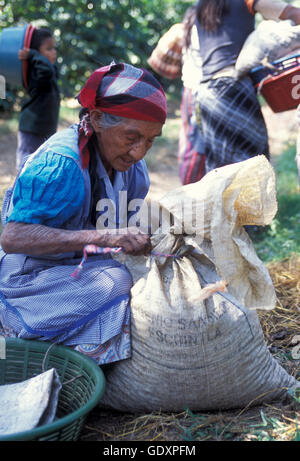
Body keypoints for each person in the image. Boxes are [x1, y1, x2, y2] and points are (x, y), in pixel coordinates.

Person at [0, 62, 167, 366]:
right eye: (132, 137)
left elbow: (121, 223)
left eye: (151, 140)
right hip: (27, 278)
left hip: (71, 270)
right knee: (115, 282)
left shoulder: (132, 171)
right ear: (99, 119)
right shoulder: (62, 164)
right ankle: (18, 334)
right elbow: (13, 237)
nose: (140, 152)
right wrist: (106, 236)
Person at [193, 0, 300, 176]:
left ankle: (222, 204)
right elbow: (293, 14)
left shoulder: (203, 4)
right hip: (232, 87)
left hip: (206, 92)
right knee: (254, 164)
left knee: (220, 169)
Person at [16, 27, 60, 171]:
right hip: (31, 129)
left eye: (54, 48)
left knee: (40, 166)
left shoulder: (49, 72)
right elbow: (46, 70)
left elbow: (52, 71)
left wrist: (40, 57)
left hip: (45, 130)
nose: (54, 52)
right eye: (49, 49)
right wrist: (33, 55)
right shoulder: (37, 73)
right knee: (26, 166)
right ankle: (19, 192)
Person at [178, 6, 205, 185]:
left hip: (188, 90)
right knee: (198, 144)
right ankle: (191, 190)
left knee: (189, 140)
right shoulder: (202, 30)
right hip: (199, 92)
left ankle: (189, 186)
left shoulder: (188, 29)